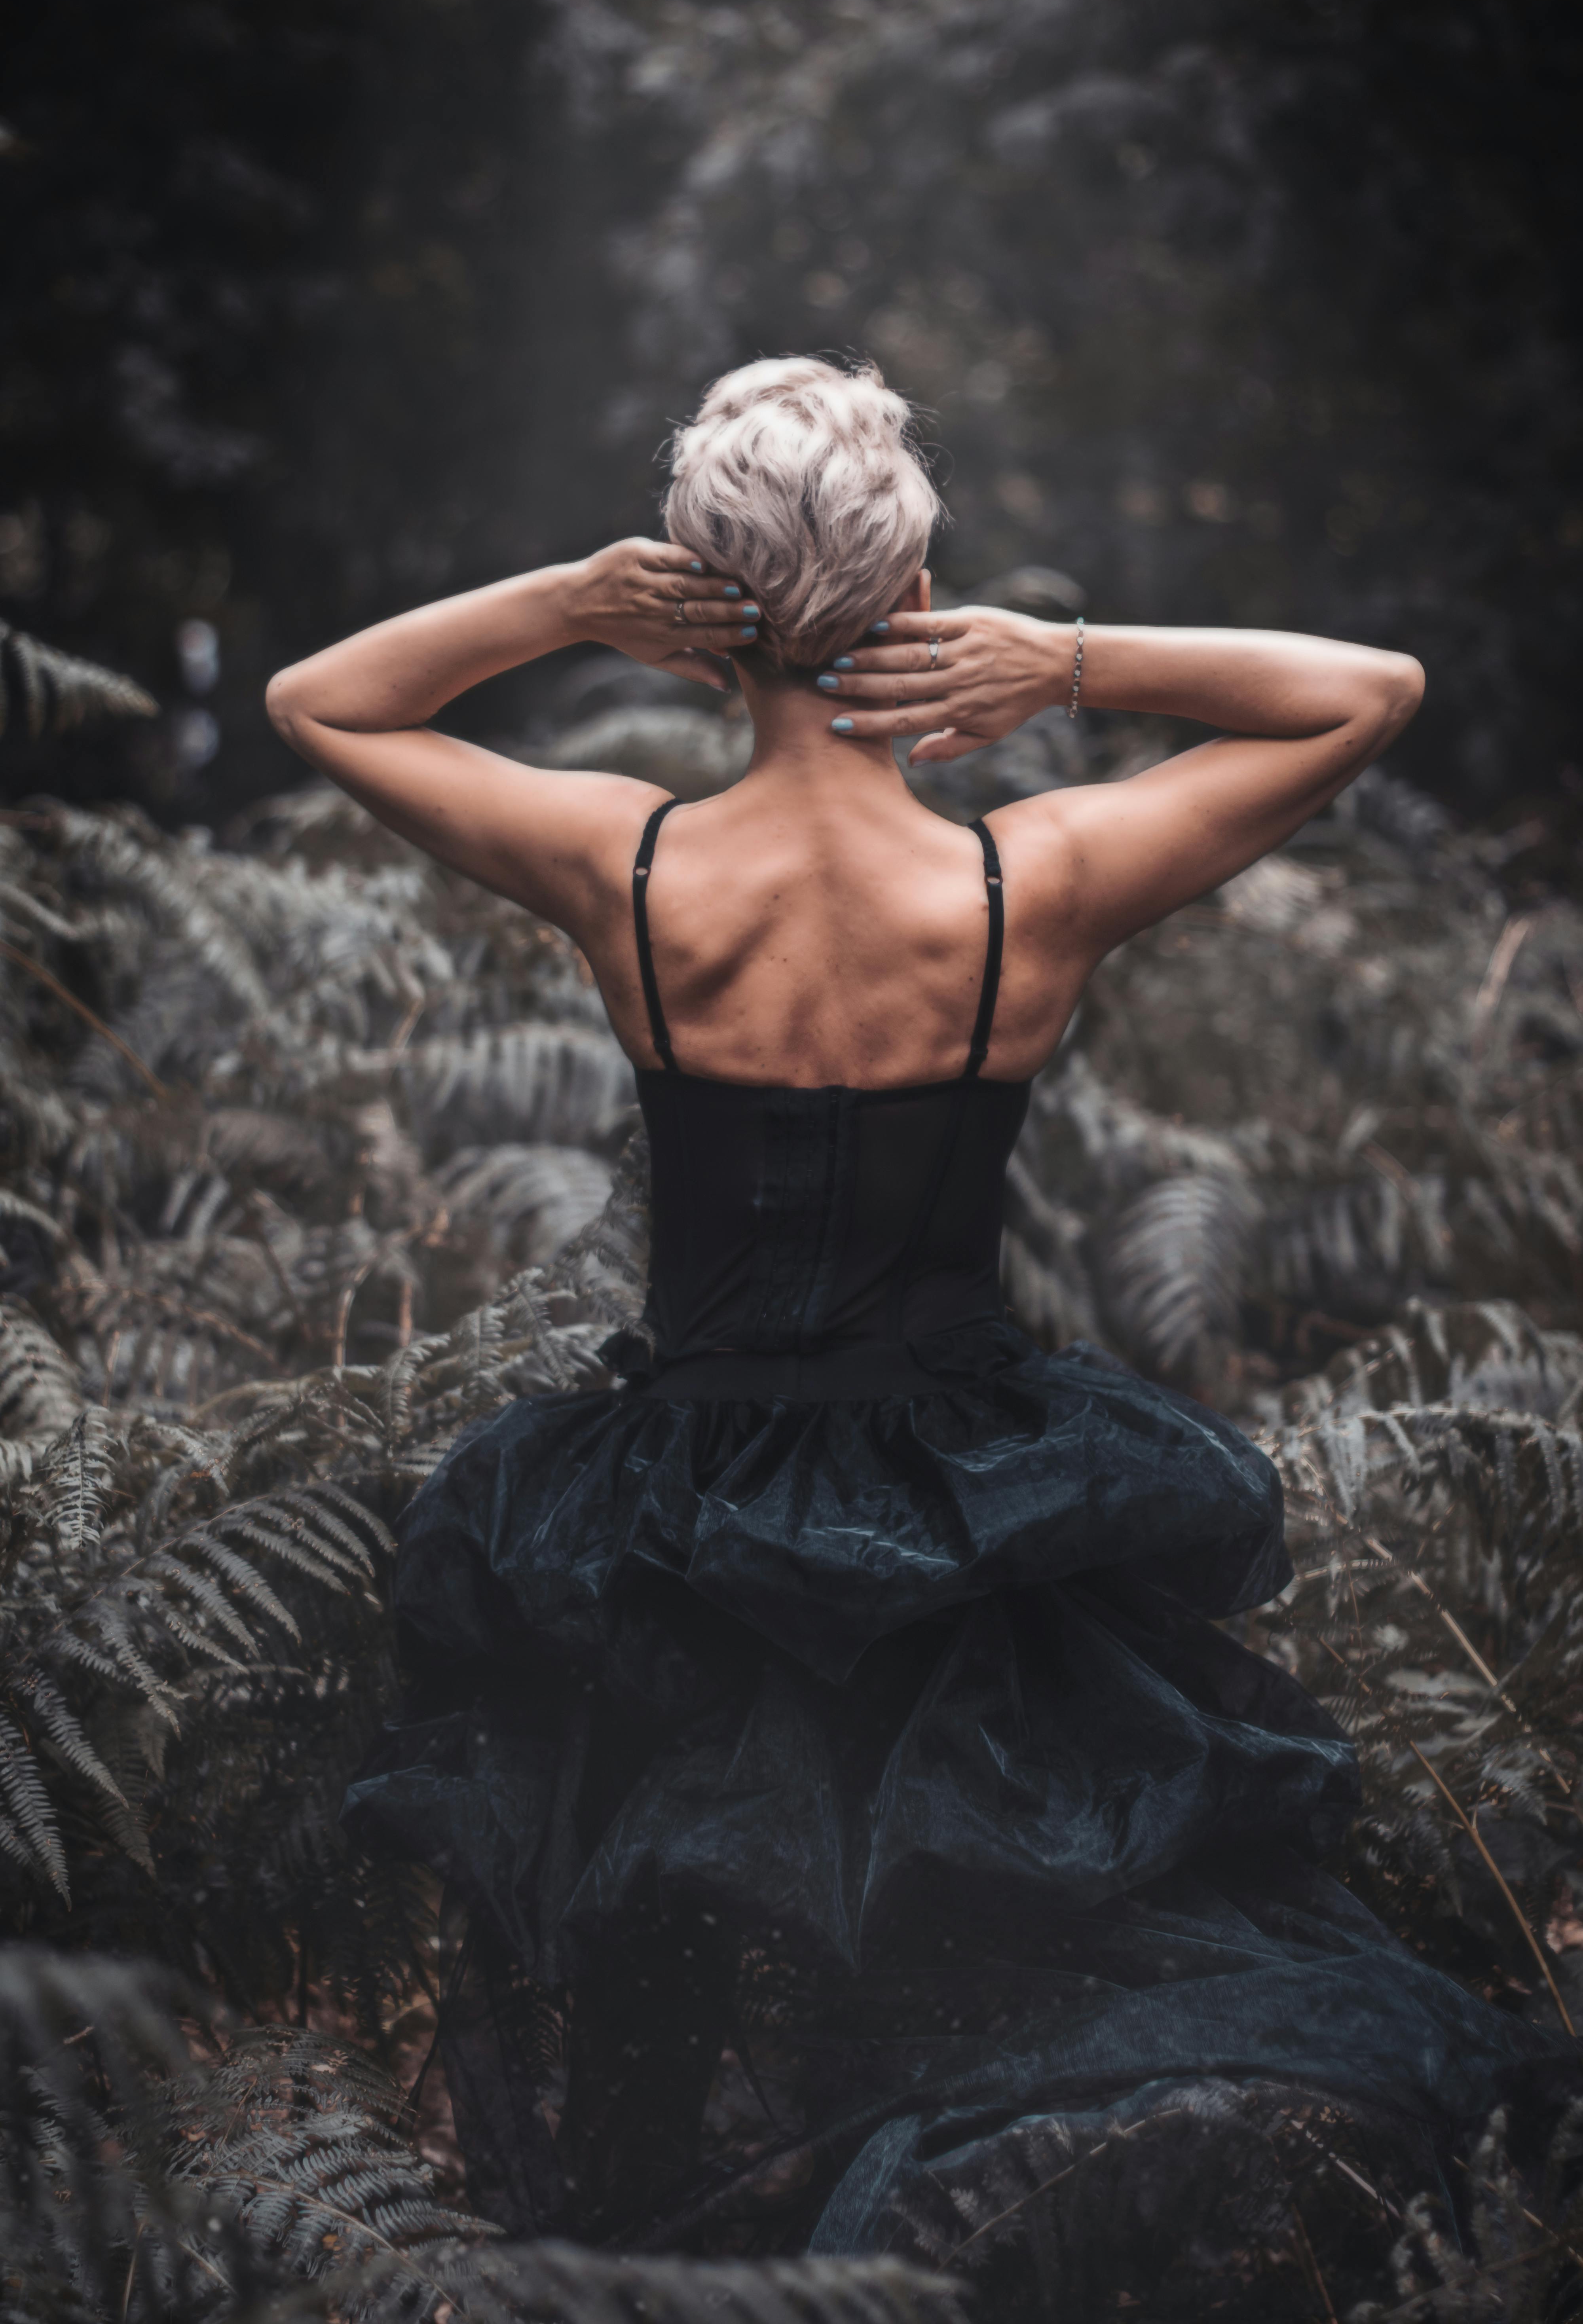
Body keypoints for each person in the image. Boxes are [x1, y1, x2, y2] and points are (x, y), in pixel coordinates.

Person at [270, 359, 1574, 2316]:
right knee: (977, 1953)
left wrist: (571, 603)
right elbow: (1364, 691)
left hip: (678, 1509)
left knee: (679, 1994)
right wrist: (1067, 664)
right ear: (917, 599)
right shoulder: (1019, 884)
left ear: (699, 609)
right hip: (965, 1497)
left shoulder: (633, 865)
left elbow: (319, 702)